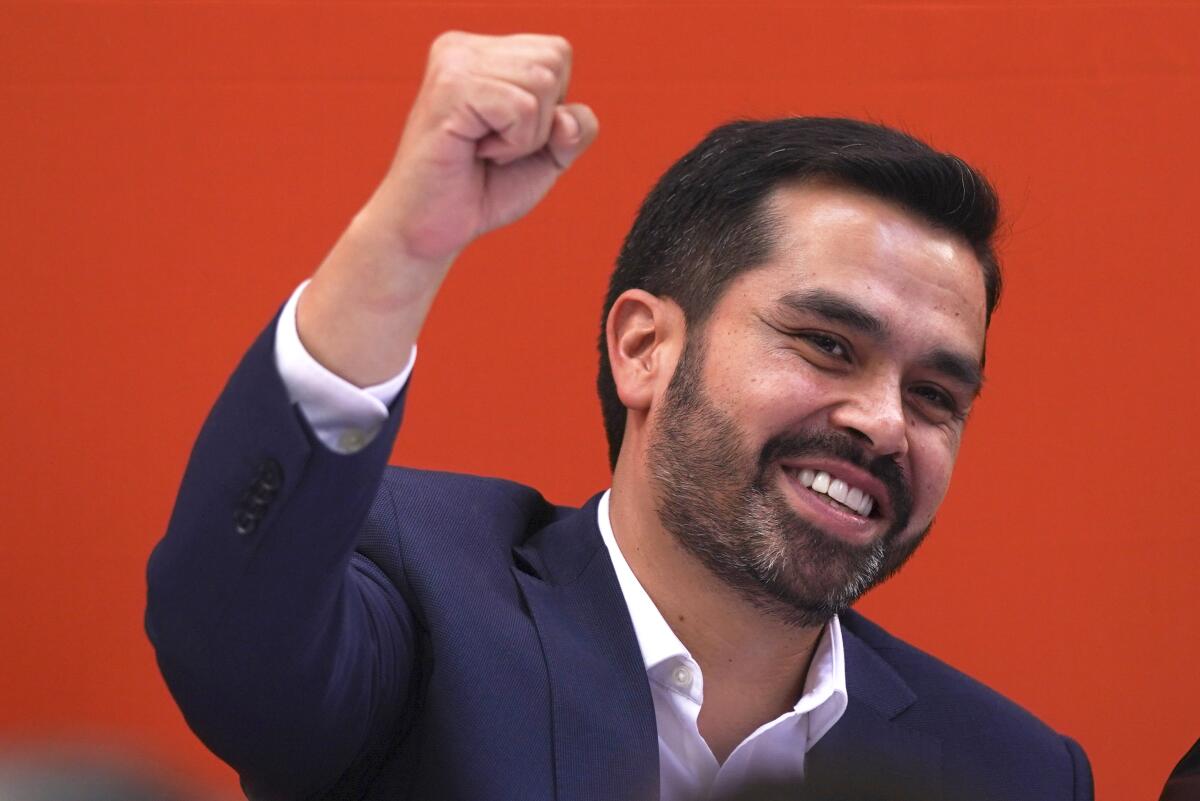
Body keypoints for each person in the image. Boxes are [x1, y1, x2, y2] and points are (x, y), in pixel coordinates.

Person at [146, 32, 1093, 801]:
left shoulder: (1012, 771)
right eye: (827, 345)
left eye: (936, 396)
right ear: (645, 349)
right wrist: (402, 245)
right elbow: (227, 634)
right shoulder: (425, 600)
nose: (885, 422)